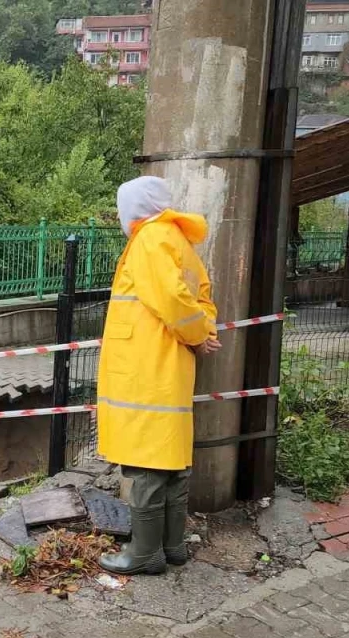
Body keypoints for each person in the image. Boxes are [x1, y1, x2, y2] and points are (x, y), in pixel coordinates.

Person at [96, 176, 220, 576]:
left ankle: (145, 552)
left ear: (136, 206)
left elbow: (172, 299)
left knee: (146, 461)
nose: (120, 214)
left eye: (122, 206)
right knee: (168, 458)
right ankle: (171, 545)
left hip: (145, 369)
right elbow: (200, 298)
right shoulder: (177, 241)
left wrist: (197, 333)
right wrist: (203, 333)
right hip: (168, 367)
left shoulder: (149, 239)